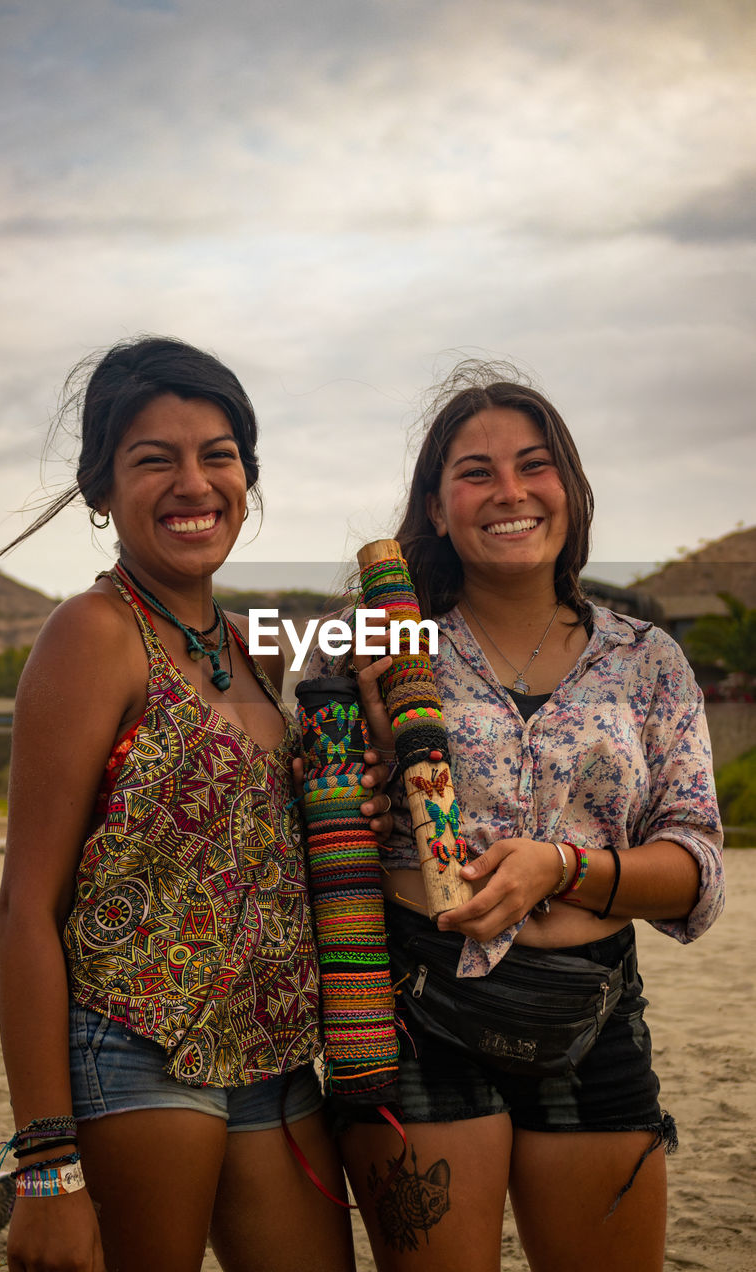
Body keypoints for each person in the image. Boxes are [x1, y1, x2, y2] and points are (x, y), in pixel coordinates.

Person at [307, 362, 724, 1272]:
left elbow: (696, 865)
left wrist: (563, 868)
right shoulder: (372, 639)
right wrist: (365, 740)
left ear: (568, 488)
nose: (509, 492)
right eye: (475, 472)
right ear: (435, 505)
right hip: (415, 1010)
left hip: (594, 1015)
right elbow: (323, 815)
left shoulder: (644, 657)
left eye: (533, 466)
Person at [0, 336, 390, 1272]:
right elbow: (24, 906)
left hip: (275, 1056)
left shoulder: (251, 646)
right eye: (152, 459)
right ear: (100, 490)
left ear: (247, 478)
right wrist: (47, 1165)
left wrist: (355, 800)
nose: (192, 482)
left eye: (217, 455)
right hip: (137, 1047)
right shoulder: (92, 635)